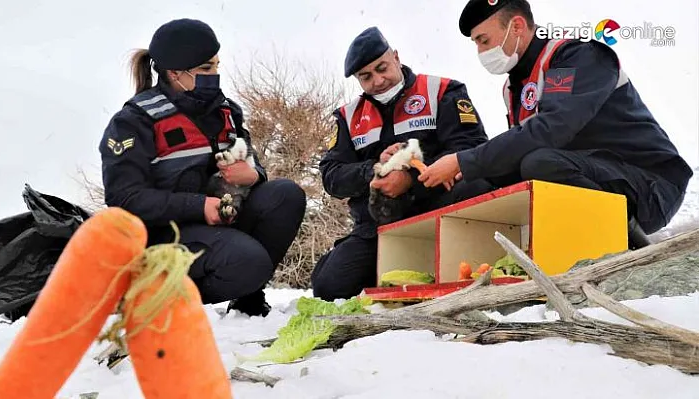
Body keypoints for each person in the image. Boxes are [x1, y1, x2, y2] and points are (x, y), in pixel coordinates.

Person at [419, 0, 693, 248]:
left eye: (484, 40)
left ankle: (630, 250)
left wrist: (464, 159)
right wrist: (463, 170)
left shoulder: (576, 55)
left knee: (539, 164)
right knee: (475, 180)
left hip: (651, 183)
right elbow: (519, 145)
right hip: (592, 171)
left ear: (516, 26)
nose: (481, 51)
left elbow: (554, 127)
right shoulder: (514, 87)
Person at [99, 19, 306, 316]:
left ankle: (248, 294)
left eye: (217, 66)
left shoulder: (227, 111)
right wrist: (197, 206)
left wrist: (253, 174)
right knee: (248, 262)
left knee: (285, 194)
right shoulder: (134, 121)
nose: (216, 75)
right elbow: (124, 198)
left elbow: (251, 157)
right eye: (206, 69)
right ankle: (159, 299)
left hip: (221, 219)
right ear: (174, 73)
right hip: (164, 235)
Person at [311, 27, 493, 301]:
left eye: (382, 68)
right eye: (366, 77)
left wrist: (409, 178)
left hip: (436, 206)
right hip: (376, 225)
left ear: (396, 57)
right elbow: (331, 176)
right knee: (328, 287)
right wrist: (373, 169)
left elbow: (472, 146)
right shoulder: (348, 117)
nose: (378, 80)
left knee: (478, 184)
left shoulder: (442, 91)